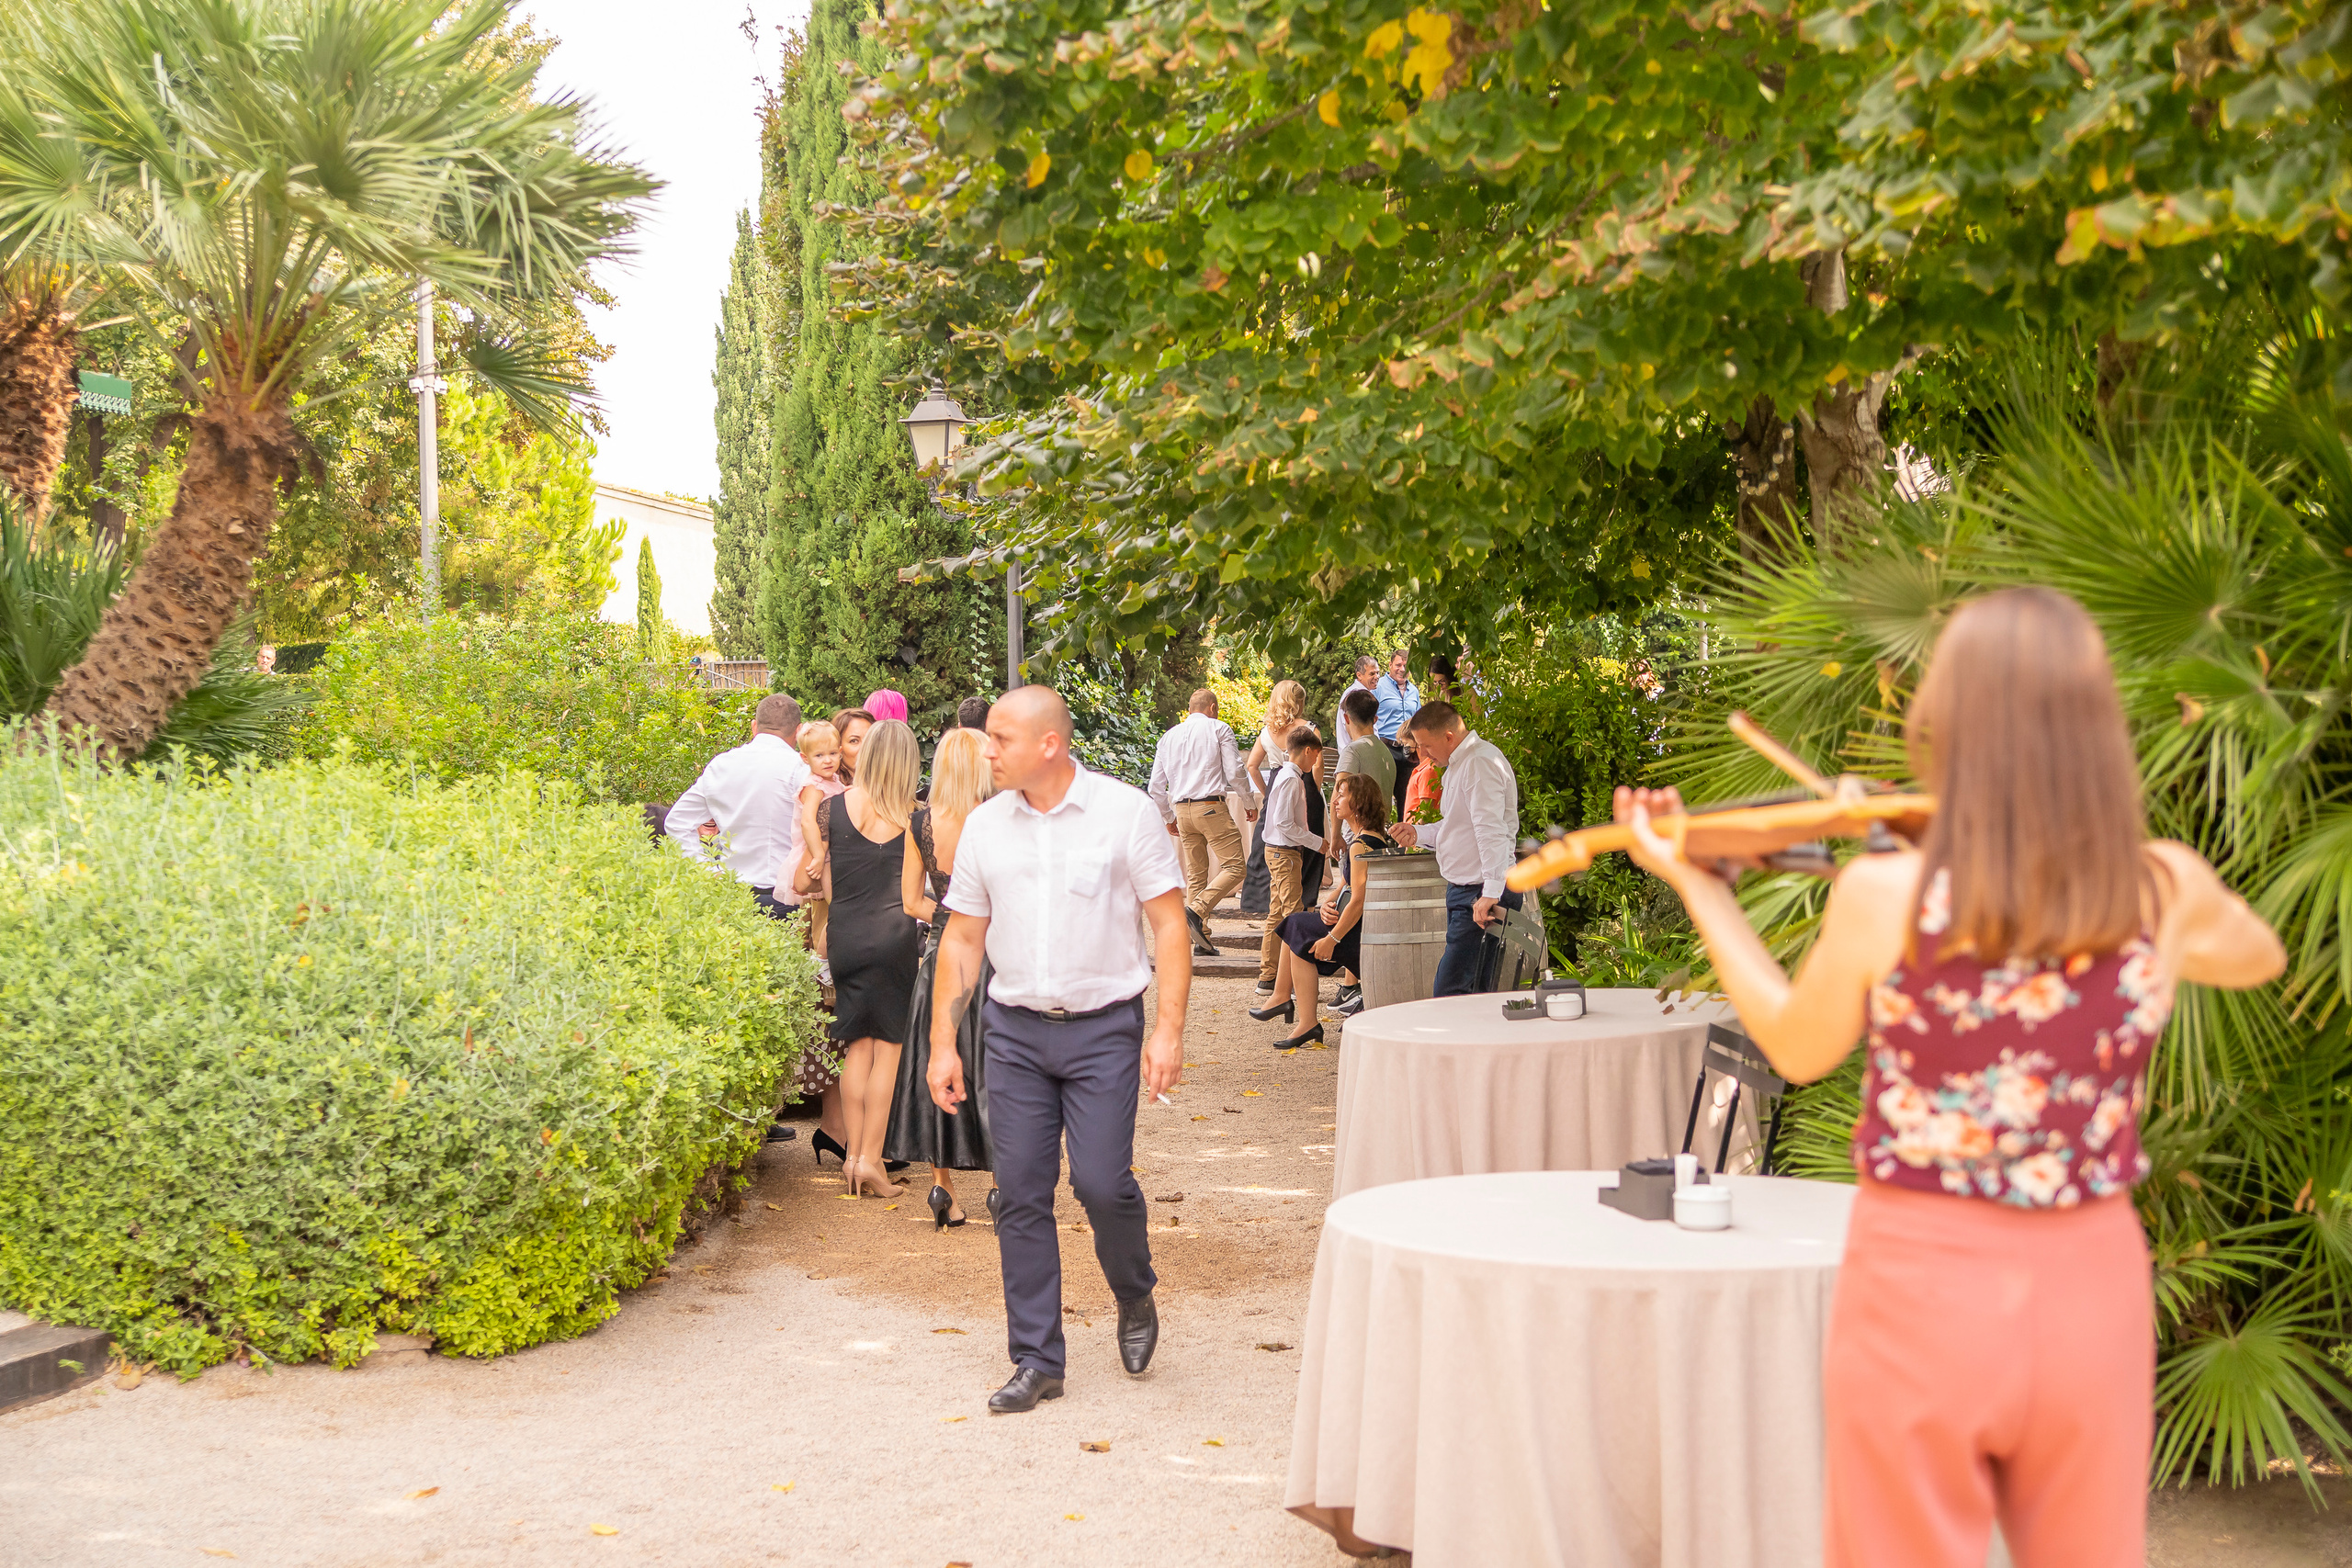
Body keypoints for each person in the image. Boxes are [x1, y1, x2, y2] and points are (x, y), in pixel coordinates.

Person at [1611, 587, 2284, 1568]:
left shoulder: (1887, 894)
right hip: (2091, 1278)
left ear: (1947, 722)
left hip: (1922, 1279)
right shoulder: (2161, 887)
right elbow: (2255, 954)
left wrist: (1699, 888)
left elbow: (1797, 1051)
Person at [925, 686, 1192, 1414]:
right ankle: (1038, 1357)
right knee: (1019, 1191)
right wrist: (943, 1042)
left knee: (1103, 1184)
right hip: (1012, 1032)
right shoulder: (985, 826)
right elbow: (962, 939)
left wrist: (1166, 1028)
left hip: (1105, 1028)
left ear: (1049, 743)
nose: (987, 749)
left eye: (1000, 738)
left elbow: (1169, 925)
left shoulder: (1124, 812)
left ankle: (1134, 1293)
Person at [888, 727, 998, 1229]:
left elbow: (912, 901)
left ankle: (943, 1188)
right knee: (994, 1066)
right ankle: (1003, 1188)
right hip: (993, 953)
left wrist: (948, 920)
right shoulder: (997, 819)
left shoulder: (919, 823)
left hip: (939, 956)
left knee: (936, 1063)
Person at [817, 718, 923, 1199]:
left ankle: (853, 1160)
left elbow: (820, 881)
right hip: (894, 938)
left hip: (846, 937)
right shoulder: (916, 817)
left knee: (857, 1047)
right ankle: (871, 1161)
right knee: (890, 1053)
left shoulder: (830, 809)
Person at [1389, 701, 1520, 996]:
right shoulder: (1463, 763)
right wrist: (1417, 833)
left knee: (1450, 993)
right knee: (1472, 995)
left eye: (1425, 745)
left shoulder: (1479, 763)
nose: (1421, 754)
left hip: (1480, 892)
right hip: (1471, 891)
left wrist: (1491, 892)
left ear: (1448, 737)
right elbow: (1458, 829)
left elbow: (1492, 832)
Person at [1259, 773, 1393, 1049]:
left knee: (1296, 929)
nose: (1335, 801)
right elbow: (1345, 884)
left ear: (1358, 803)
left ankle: (1300, 1014)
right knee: (1296, 925)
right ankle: (1289, 1004)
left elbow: (1359, 899)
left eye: (1342, 794)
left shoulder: (1360, 844)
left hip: (1357, 933)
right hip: (1358, 925)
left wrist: (1332, 939)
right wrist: (1327, 905)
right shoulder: (1373, 838)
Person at [665, 693, 808, 919]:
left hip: (731, 894)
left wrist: (708, 870)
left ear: (754, 726)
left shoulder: (722, 765)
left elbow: (676, 822)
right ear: (799, 731)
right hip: (789, 897)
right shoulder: (801, 768)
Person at [1146, 688, 1254, 957]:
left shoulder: (1168, 736)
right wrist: (1249, 802)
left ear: (1189, 708)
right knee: (1236, 867)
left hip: (1182, 810)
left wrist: (1168, 817)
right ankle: (1196, 909)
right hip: (1210, 808)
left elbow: (1155, 787)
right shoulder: (1219, 728)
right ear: (1213, 708)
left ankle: (1201, 941)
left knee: (1196, 875)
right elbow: (1235, 771)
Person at [1251, 725, 1326, 1005]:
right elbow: (1284, 823)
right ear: (1308, 751)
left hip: (1279, 851)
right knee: (1294, 916)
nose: (1315, 763)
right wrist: (1316, 842)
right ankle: (1294, 981)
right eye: (1316, 757)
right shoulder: (1292, 779)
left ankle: (1268, 976)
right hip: (1284, 852)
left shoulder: (1283, 775)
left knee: (1277, 912)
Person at [1239, 679, 1307, 925]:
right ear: (1298, 702)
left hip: (1276, 781)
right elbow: (1317, 764)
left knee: (1267, 842)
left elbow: (1252, 765)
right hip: (1301, 778)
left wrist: (1267, 792)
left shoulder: (1267, 730)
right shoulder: (1307, 727)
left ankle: (1264, 902)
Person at [1373, 649, 1420, 819]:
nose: (1402, 669)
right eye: (1398, 665)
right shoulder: (1378, 688)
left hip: (1409, 751)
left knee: (1407, 795)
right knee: (1383, 796)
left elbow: (1418, 719)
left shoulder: (1414, 691)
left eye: (1406, 666)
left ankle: (1405, 836)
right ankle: (1381, 838)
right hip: (1387, 748)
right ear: (1390, 665)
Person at [1331, 686, 1394, 813]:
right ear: (1375, 719)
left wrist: (1335, 833)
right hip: (1381, 827)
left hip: (1357, 828)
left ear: (1347, 718)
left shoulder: (1352, 751)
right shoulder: (1386, 751)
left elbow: (1338, 793)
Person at [1332, 655, 1377, 760]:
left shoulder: (1364, 693)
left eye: (1377, 673)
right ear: (1359, 675)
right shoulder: (1355, 695)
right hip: (1357, 755)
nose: (1376, 677)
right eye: (1372, 674)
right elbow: (1356, 728)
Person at [830, 707, 876, 784]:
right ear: (838, 748)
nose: (865, 747)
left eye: (869, 738)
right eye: (854, 741)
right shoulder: (829, 790)